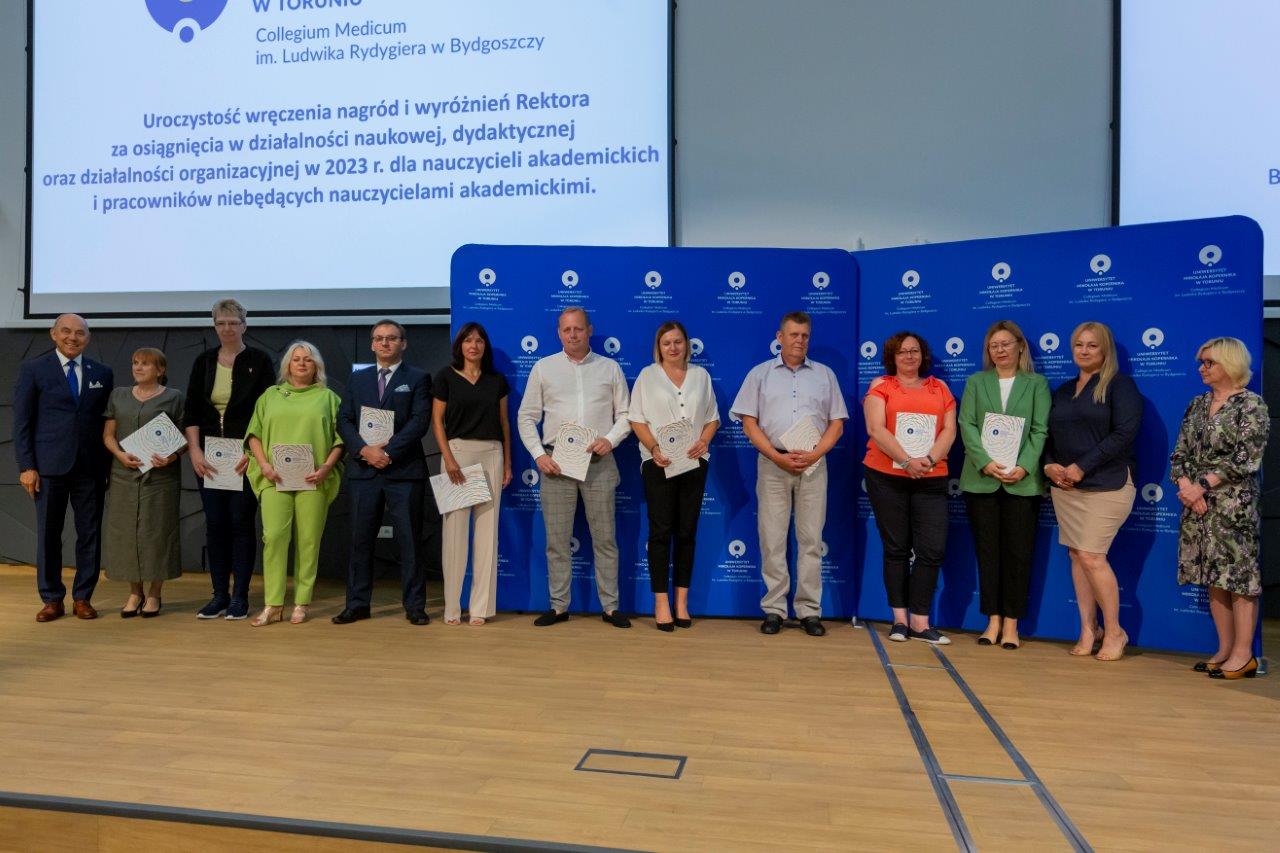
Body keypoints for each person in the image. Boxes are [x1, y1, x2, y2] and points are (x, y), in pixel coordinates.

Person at [731, 311, 847, 637]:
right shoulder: (760, 375)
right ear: (779, 337)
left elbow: (837, 423)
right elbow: (749, 423)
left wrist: (815, 454)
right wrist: (775, 456)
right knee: (772, 539)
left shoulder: (825, 375)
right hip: (773, 463)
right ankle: (774, 610)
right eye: (794, 335)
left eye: (805, 335)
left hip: (813, 464)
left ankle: (809, 611)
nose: (800, 340)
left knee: (810, 539)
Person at [516, 306, 633, 628]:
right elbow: (526, 417)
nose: (573, 335)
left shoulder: (610, 368)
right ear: (559, 333)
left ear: (589, 330)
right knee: (557, 541)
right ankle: (558, 607)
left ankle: (610, 607)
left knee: (605, 539)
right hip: (556, 463)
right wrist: (539, 455)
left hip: (599, 461)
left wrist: (610, 439)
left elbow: (626, 414)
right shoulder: (543, 368)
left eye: (578, 328)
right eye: (566, 329)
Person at [1170, 337, 1269, 680]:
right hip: (1196, 505)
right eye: (1202, 362)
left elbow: (1246, 458)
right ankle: (1225, 649)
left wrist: (1201, 485)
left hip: (1233, 507)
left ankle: (1244, 654)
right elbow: (1179, 453)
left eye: (1209, 362)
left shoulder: (1251, 405)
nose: (1202, 368)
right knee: (1213, 576)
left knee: (1238, 577)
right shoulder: (1197, 404)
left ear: (1230, 363)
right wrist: (1187, 487)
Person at [1043, 321, 1141, 662]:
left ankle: (1115, 631)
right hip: (1066, 487)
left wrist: (1082, 466)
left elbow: (1124, 433)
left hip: (1108, 483)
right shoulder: (1063, 390)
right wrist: (1049, 466)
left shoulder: (1120, 385)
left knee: (1091, 556)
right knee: (1077, 555)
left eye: (1092, 345)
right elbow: (1047, 435)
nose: (1084, 351)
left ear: (1105, 349)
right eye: (1079, 345)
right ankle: (1089, 629)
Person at [12, 313, 114, 622]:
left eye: (80, 333)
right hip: (48, 468)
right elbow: (22, 423)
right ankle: (52, 598)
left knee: (90, 534)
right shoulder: (33, 369)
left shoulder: (102, 372)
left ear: (88, 338)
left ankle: (83, 597)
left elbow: (108, 422)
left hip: (91, 468)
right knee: (48, 535)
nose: (73, 337)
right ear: (53, 334)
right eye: (66, 331)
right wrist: (27, 466)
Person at [957, 321, 1050, 649]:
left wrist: (1024, 466)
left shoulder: (1037, 384)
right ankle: (992, 620)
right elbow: (966, 423)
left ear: (1020, 346)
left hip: (1021, 483)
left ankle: (1012, 624)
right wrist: (985, 462)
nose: (1000, 350)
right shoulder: (976, 382)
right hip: (982, 480)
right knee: (987, 554)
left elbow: (1040, 429)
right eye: (993, 345)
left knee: (1019, 555)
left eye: (1006, 344)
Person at [335, 320, 432, 626]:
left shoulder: (417, 378)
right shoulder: (357, 378)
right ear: (372, 344)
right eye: (379, 338)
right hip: (364, 471)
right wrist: (365, 451)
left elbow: (419, 421)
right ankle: (357, 604)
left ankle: (414, 606)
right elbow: (344, 420)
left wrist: (387, 454)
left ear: (403, 343)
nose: (385, 343)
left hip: (404, 471)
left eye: (391, 338)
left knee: (410, 541)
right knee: (360, 540)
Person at [183, 299, 275, 620]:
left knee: (240, 523)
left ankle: (240, 597)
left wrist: (253, 453)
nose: (227, 328)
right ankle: (219, 595)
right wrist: (194, 450)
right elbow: (192, 410)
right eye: (221, 323)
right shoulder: (204, 361)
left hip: (244, 455)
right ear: (214, 326)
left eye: (233, 323)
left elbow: (266, 413)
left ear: (244, 325)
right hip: (209, 455)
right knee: (216, 523)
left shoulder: (259, 360)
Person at [862, 331, 956, 645]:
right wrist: (905, 461)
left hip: (931, 476)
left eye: (914, 351)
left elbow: (949, 430)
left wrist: (928, 460)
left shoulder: (939, 388)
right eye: (902, 352)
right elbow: (875, 428)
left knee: (932, 549)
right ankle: (900, 620)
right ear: (893, 357)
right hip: (886, 477)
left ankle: (921, 621)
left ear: (922, 355)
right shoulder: (881, 386)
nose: (909, 356)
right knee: (897, 548)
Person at [245, 342, 344, 626]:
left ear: (317, 366)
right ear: (287, 364)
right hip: (274, 477)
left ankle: (301, 602)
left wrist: (326, 467)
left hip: (314, 478)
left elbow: (340, 439)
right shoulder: (270, 396)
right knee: (274, 537)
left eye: (308, 360)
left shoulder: (328, 398)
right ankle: (273, 604)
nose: (301, 363)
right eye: (296, 359)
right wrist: (264, 465)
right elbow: (254, 434)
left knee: (308, 540)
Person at [629, 321, 719, 631]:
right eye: (666, 342)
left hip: (694, 463)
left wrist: (704, 441)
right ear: (659, 346)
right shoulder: (647, 376)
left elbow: (712, 418)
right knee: (660, 532)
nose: (673, 347)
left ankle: (682, 601)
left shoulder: (701, 376)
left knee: (687, 532)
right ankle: (661, 602)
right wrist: (654, 448)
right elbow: (636, 420)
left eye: (678, 341)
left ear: (686, 344)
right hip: (659, 463)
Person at [432, 322, 512, 626]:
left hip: (491, 453)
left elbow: (504, 423)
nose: (474, 345)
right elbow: (437, 422)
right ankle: (452, 608)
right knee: (454, 533)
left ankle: (480, 608)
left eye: (479, 341)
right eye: (468, 340)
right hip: (458, 455)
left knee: (487, 534)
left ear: (485, 346)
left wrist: (507, 463)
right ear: (460, 346)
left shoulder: (497, 381)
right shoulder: (445, 377)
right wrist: (449, 459)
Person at [101, 348, 185, 617]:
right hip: (123, 475)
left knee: (157, 532)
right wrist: (119, 454)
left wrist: (172, 457)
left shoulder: (174, 397)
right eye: (135, 362)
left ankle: (155, 593)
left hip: (160, 478)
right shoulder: (118, 395)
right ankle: (135, 592)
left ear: (160, 370)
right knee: (126, 533)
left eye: (145, 364)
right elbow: (108, 435)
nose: (138, 367)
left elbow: (184, 438)